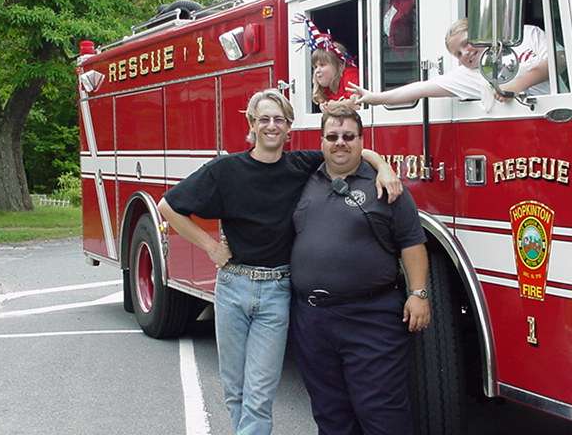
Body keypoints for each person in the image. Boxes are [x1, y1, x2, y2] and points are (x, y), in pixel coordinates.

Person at [157, 89, 401, 435]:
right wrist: (211, 247)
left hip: (276, 290)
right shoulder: (225, 170)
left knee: (258, 393)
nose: (271, 126)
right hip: (232, 288)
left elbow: (348, 148)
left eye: (279, 120)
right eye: (264, 119)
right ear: (251, 124)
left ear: (289, 128)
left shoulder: (300, 166)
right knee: (236, 391)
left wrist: (383, 167)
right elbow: (168, 207)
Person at [290, 103, 430, 435]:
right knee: (330, 415)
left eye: (348, 137)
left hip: (372, 318)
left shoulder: (387, 186)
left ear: (362, 141)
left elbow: (412, 242)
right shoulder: (301, 179)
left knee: (382, 414)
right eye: (333, 136)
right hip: (312, 321)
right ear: (321, 141)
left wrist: (419, 294)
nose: (340, 143)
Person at [347, 17, 550, 106]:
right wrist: (375, 98)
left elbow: (560, 61)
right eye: (458, 54)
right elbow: (419, 88)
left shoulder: (525, 34)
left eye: (467, 43)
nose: (466, 54)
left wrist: (515, 86)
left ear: (482, 33)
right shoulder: (468, 75)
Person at [312, 41, 360, 110]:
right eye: (315, 67)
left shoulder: (350, 73)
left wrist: (332, 106)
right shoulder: (326, 88)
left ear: (340, 65)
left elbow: (356, 103)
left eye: (322, 65)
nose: (317, 71)